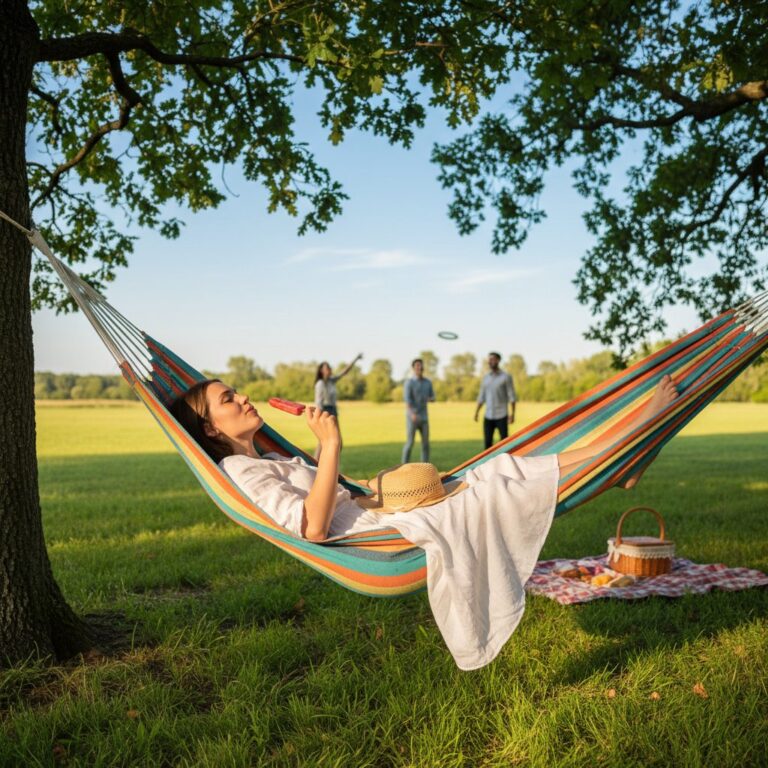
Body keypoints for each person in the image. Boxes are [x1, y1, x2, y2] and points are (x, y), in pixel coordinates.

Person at [170, 375, 678, 670]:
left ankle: (618, 462)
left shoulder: (262, 458)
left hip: (385, 513)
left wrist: (375, 485)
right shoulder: (239, 471)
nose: (242, 398)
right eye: (228, 400)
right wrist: (328, 445)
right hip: (381, 539)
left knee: (495, 472)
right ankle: (625, 448)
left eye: (236, 390)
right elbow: (313, 529)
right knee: (500, 475)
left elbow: (342, 491)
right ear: (212, 427)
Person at [313, 353, 363, 458]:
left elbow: (345, 372)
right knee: (324, 441)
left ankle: (327, 465)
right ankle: (316, 465)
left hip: (333, 410)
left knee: (337, 442)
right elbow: (318, 402)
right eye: (326, 368)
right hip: (325, 412)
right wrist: (321, 417)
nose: (329, 369)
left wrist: (356, 359)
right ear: (321, 371)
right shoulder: (320, 384)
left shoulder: (332, 381)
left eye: (329, 368)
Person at [474, 352, 516, 449]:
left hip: (501, 415)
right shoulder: (486, 378)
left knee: (505, 444)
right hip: (488, 416)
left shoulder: (506, 377)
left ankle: (505, 463)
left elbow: (512, 396)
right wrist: (476, 412)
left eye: (492, 359)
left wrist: (512, 414)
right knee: (487, 444)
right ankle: (490, 464)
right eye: (489, 360)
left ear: (498, 360)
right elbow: (482, 397)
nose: (490, 362)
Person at [402, 358, 435, 463]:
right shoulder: (409, 383)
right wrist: (412, 414)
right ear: (413, 368)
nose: (419, 367)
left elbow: (433, 397)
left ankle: (425, 465)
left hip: (424, 417)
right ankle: (404, 465)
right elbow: (407, 400)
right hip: (412, 418)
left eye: (420, 365)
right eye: (417, 366)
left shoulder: (427, 382)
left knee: (425, 443)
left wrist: (430, 399)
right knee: (410, 442)